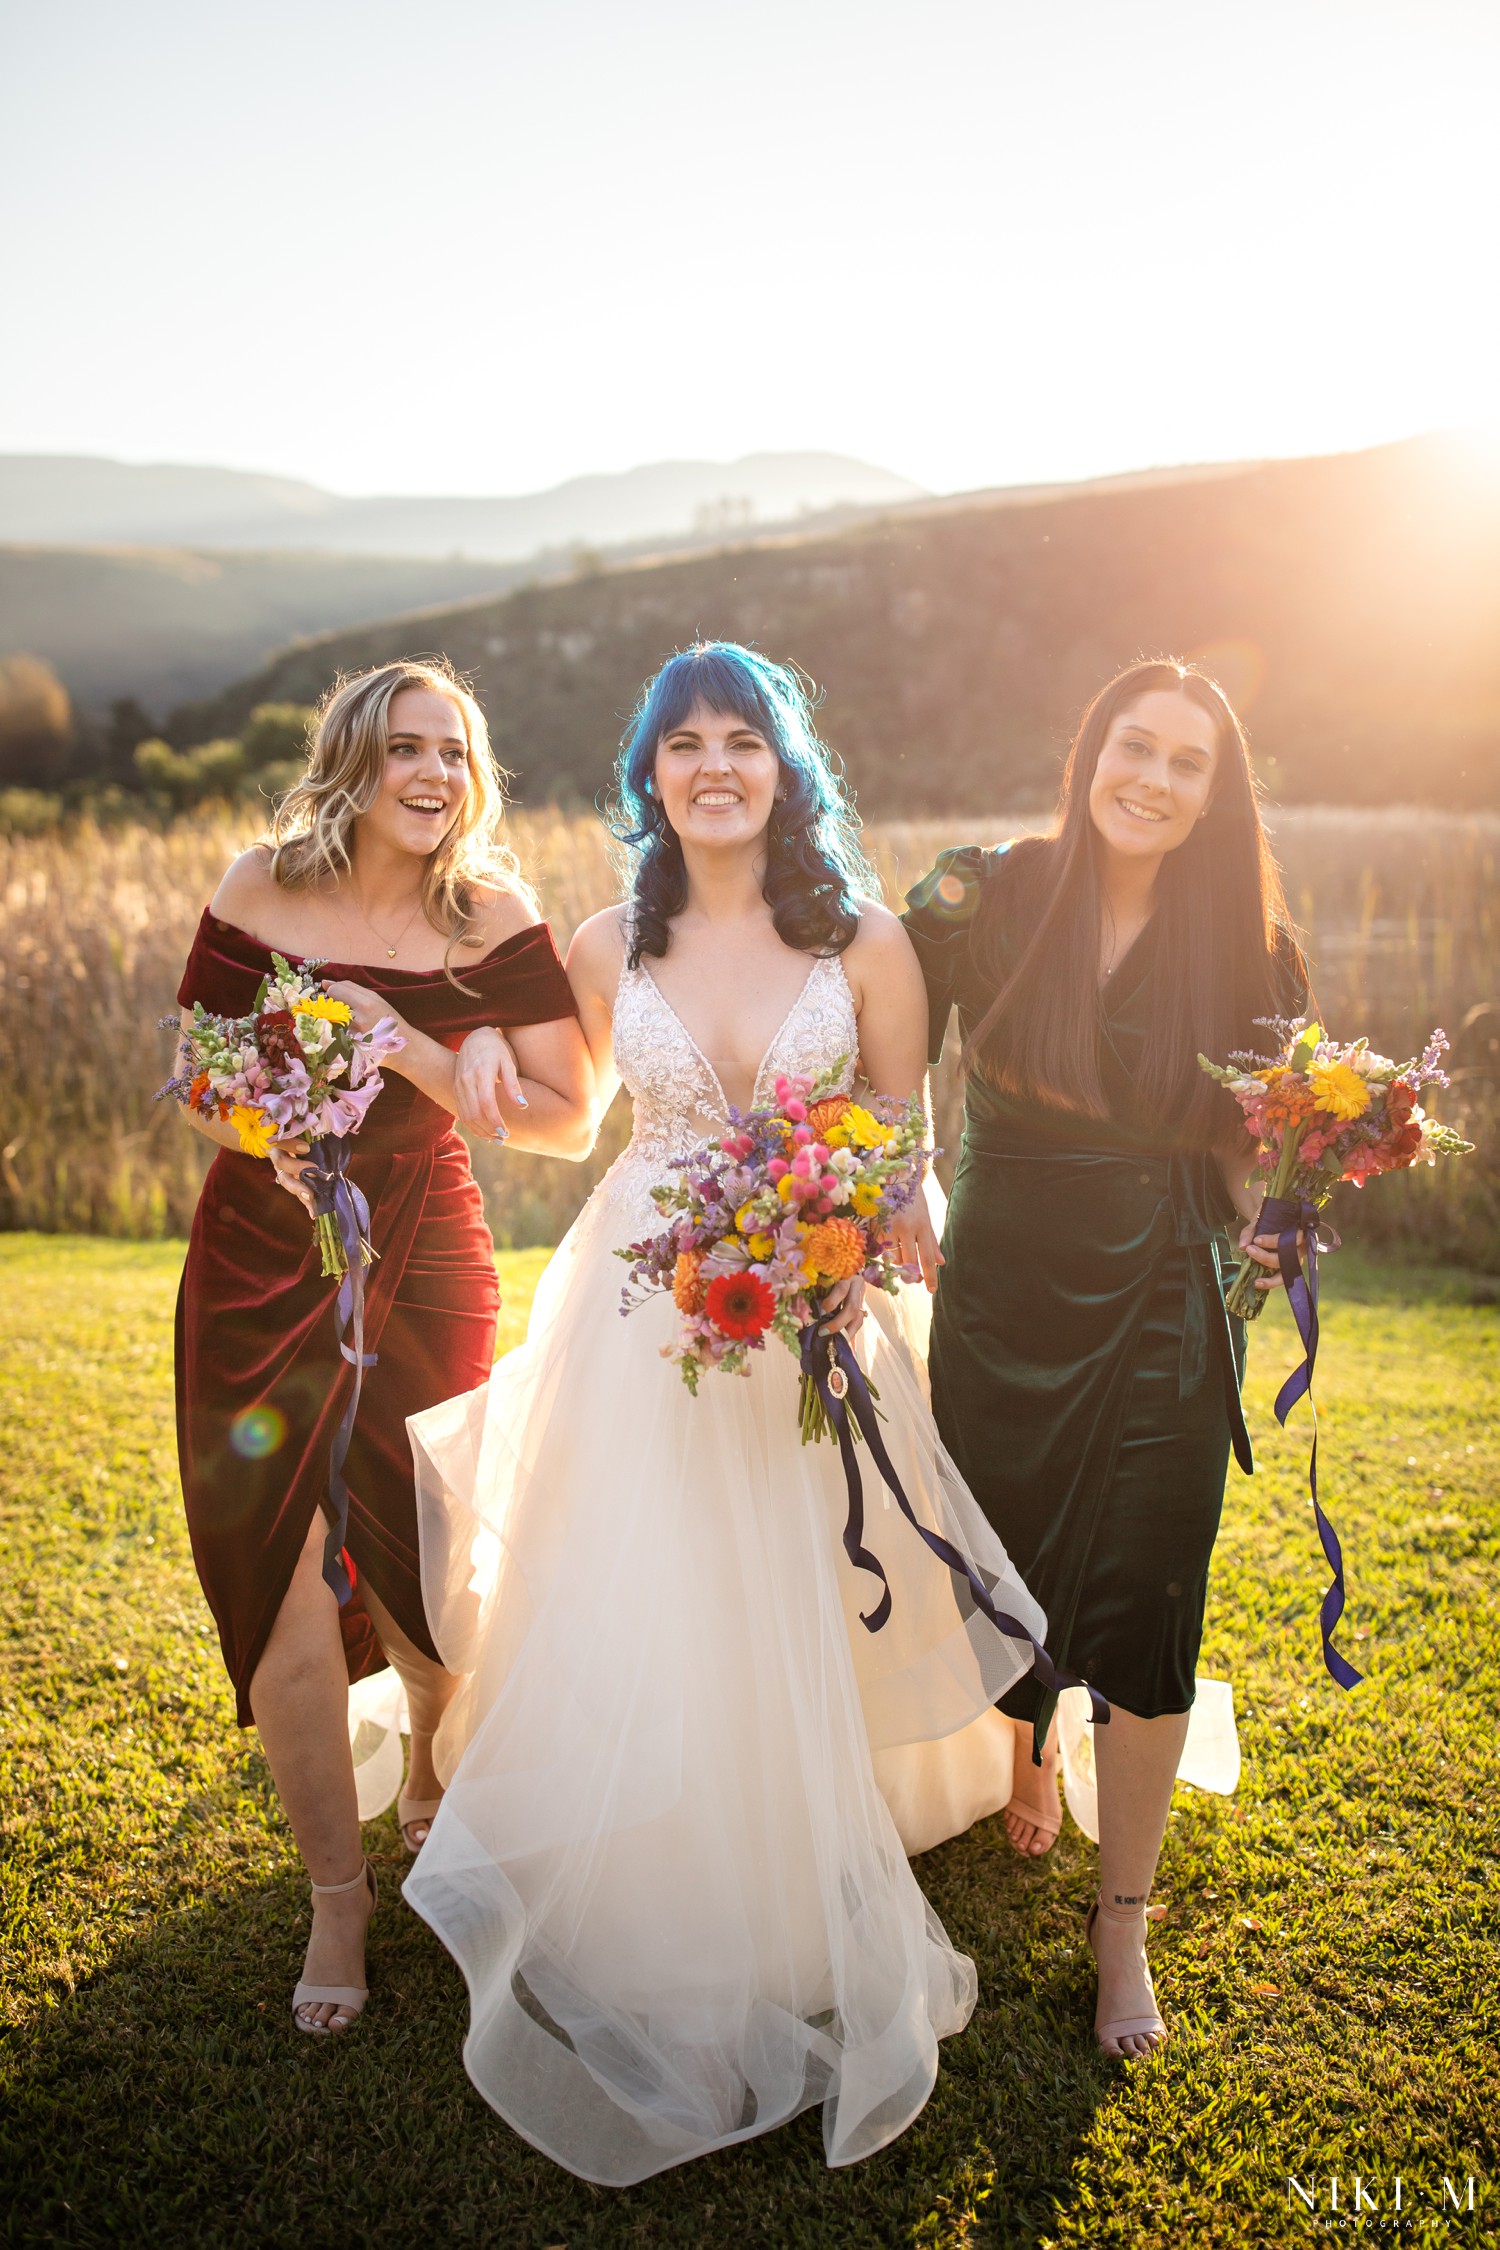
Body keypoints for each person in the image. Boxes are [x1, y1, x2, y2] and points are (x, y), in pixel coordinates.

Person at [403, 642, 1048, 2185]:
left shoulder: (869, 939)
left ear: (784, 767)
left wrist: (893, 1230)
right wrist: (481, 1049)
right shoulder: (609, 936)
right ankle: (676, 1879)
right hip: (644, 1308)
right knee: (662, 1586)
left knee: (806, 1584)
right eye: (681, 741)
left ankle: (825, 1821)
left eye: (741, 739)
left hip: (814, 1299)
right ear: (649, 774)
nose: (712, 764)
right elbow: (567, 1121)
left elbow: (905, 1142)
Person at [172, 658, 592, 2036]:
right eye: (406, 747)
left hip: (427, 1251)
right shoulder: (259, 887)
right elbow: (198, 1069)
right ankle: (336, 1893)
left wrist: (412, 1048)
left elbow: (561, 1113)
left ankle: (427, 1748)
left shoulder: (495, 914)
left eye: (455, 754)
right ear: (352, 760)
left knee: (432, 1557)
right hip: (260, 1257)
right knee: (279, 1564)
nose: (433, 775)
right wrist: (272, 1139)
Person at [900, 658, 1308, 2061]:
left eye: (1190, 762)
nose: (1155, 776)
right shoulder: (983, 891)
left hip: (1157, 1310)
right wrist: (898, 1179)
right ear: (1090, 749)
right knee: (998, 1576)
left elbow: (1244, 1153)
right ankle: (1030, 1748)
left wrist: (1273, 1227)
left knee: (1146, 1601)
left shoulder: (1252, 955)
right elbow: (872, 1035)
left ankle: (1118, 1918)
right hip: (997, 1300)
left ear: (1216, 792)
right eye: (1135, 744)